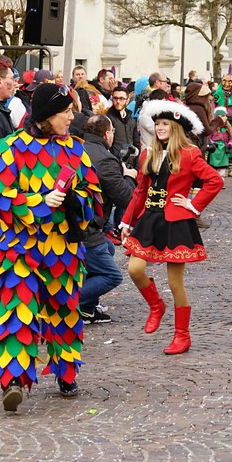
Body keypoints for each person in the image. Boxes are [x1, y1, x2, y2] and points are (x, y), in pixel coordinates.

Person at [0, 83, 103, 411]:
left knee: (64, 312)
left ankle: (66, 372)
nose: (71, 116)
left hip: (62, 248)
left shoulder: (76, 149)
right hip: (19, 249)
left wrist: (74, 200)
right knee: (16, 311)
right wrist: (38, 200)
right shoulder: (11, 148)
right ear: (46, 115)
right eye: (65, 111)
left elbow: (94, 196)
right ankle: (13, 381)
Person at [120, 101, 222, 352]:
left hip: (176, 222)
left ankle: (182, 335)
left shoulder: (189, 154)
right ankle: (156, 305)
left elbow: (214, 180)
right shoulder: (147, 154)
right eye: (157, 124)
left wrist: (193, 205)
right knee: (135, 269)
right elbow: (140, 191)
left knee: (176, 283)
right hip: (149, 220)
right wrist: (126, 221)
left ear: (175, 127)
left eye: (165, 124)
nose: (160, 128)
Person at [79, 114, 133, 324]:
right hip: (88, 227)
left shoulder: (78, 148)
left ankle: (86, 309)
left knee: (108, 249)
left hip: (81, 223)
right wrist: (129, 175)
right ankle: (70, 302)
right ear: (107, 134)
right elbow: (125, 196)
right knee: (112, 275)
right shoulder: (105, 158)